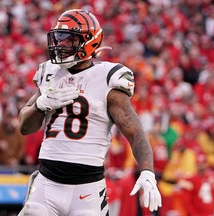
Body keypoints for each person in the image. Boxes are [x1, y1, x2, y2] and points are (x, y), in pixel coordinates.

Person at [18, 9, 162, 216]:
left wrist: (147, 171)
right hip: (47, 185)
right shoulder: (49, 73)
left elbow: (135, 131)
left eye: (70, 40)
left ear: (90, 42)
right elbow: (24, 126)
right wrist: (40, 105)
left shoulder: (106, 79)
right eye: (59, 38)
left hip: (87, 191)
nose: (62, 45)